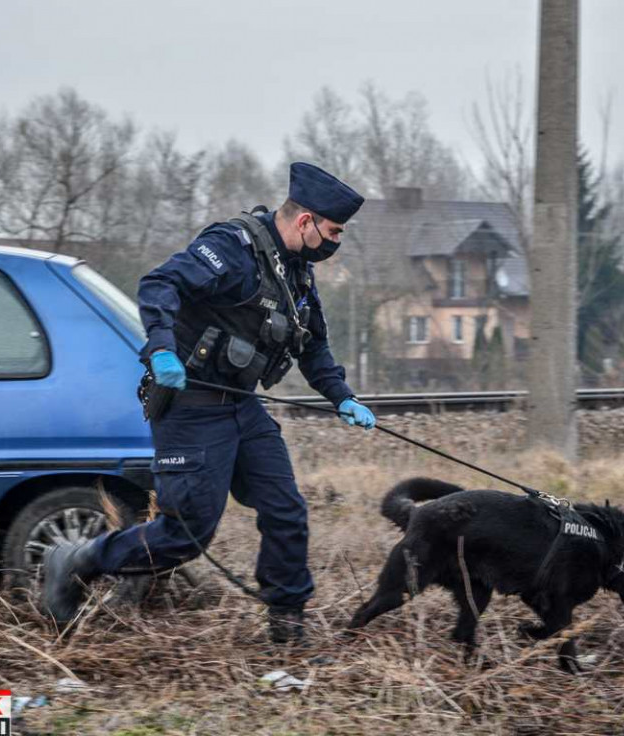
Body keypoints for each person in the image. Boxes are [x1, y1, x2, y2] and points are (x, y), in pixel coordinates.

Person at [42, 162, 376, 643]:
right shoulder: (231, 248)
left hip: (241, 408)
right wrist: (161, 349)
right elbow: (160, 285)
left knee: (285, 510)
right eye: (333, 231)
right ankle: (77, 560)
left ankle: (287, 627)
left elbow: (312, 346)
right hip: (191, 405)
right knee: (185, 536)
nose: (335, 242)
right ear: (305, 221)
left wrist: (342, 397)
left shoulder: (296, 273)